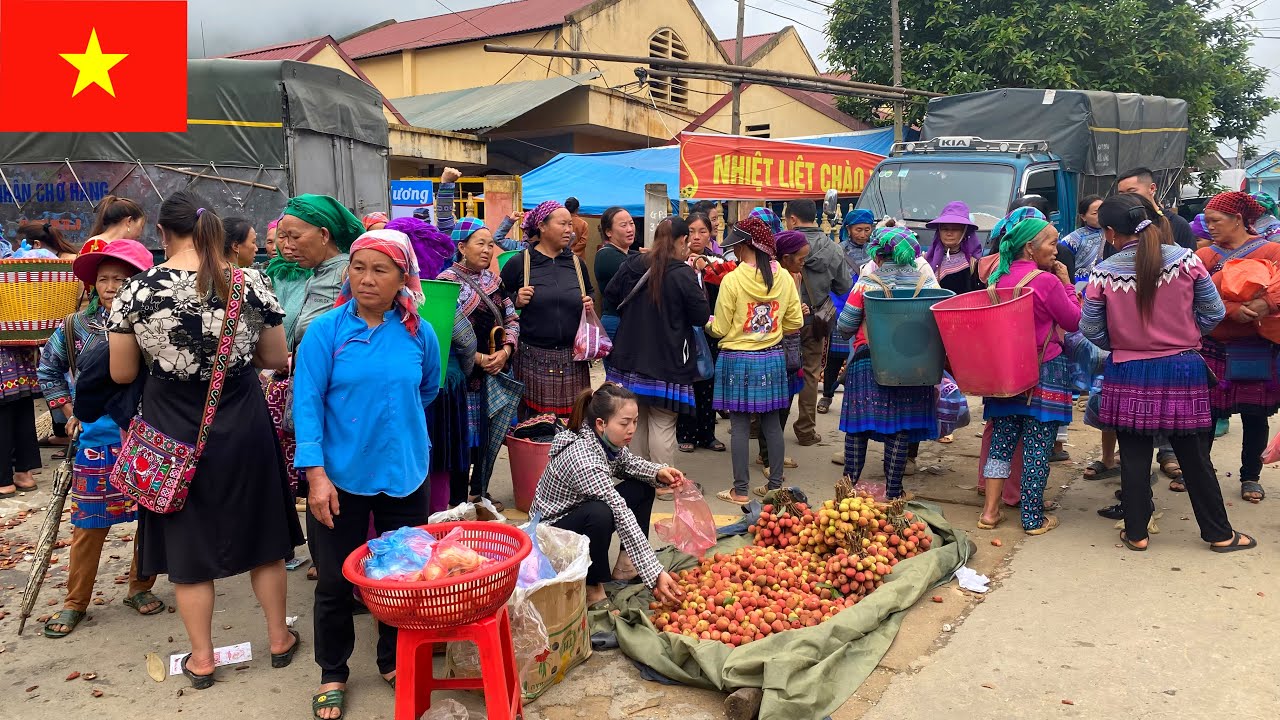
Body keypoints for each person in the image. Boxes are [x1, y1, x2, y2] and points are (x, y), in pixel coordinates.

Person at [107, 191, 302, 689]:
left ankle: (202, 657)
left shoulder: (135, 291)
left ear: (162, 232)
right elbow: (276, 357)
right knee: (263, 537)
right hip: (241, 420)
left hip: (171, 428)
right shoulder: (249, 281)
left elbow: (122, 371)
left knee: (189, 550)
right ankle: (279, 639)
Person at [292, 229, 440, 719]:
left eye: (380, 270)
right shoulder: (326, 331)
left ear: (403, 277)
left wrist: (391, 428)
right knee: (335, 581)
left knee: (400, 577)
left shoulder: (421, 332)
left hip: (404, 472)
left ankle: (393, 658)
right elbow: (306, 405)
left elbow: (427, 389)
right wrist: (316, 475)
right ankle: (333, 671)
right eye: (358, 268)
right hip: (338, 477)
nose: (366, 279)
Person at [1081, 193, 1255, 552]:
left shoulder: (1103, 272)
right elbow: (1213, 312)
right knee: (1194, 458)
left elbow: (1090, 328)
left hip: (1127, 370)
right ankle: (1220, 534)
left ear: (1112, 232)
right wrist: (1184, 335)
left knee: (1133, 456)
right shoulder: (1188, 260)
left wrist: (1123, 342)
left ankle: (1137, 533)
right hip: (1182, 369)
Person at [38, 239, 160, 638]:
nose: (111, 286)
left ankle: (140, 588)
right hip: (95, 440)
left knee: (149, 520)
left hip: (144, 441)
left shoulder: (154, 328)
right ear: (93, 285)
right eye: (104, 279)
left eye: (121, 280)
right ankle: (76, 602)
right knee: (89, 525)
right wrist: (68, 413)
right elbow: (48, 370)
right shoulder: (75, 328)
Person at [531, 383, 686, 608]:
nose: (632, 429)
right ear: (601, 424)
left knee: (642, 487)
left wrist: (657, 472)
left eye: (635, 421)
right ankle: (592, 586)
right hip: (549, 535)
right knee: (601, 512)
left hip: (576, 515)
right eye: (625, 423)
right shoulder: (584, 459)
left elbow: (627, 463)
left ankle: (626, 566)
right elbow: (620, 512)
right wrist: (655, 573)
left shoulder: (602, 440)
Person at [977, 215, 1081, 535]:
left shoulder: (997, 278)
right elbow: (1074, 320)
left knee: (1002, 443)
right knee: (1038, 444)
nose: (1057, 249)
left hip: (1006, 372)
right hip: (1044, 369)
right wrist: (1067, 283)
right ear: (1030, 248)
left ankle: (990, 513)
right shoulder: (1046, 281)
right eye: (1051, 242)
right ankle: (1032, 518)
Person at [837, 227, 942, 500]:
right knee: (900, 429)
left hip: (868, 362)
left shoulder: (866, 284)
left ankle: (846, 491)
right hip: (912, 366)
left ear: (879, 256)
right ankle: (894, 493)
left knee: (857, 429)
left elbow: (845, 326)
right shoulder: (927, 285)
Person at [707, 218, 803, 505]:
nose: (734, 250)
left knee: (738, 426)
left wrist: (708, 324)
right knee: (771, 424)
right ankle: (775, 487)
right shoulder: (784, 277)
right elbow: (795, 321)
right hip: (772, 357)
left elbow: (721, 328)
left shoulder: (733, 279)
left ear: (746, 244)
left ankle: (740, 490)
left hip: (737, 358)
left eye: (736, 244)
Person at [604, 217, 710, 467]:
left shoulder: (633, 264)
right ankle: (662, 482)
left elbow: (610, 294)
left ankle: (639, 477)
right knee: (663, 420)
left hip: (630, 356)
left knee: (635, 419)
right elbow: (701, 315)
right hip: (668, 360)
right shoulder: (683, 273)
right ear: (683, 240)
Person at [1195, 191, 1280, 504]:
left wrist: (1265, 303)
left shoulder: (1271, 251)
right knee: (1206, 416)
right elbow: (1193, 298)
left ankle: (1250, 476)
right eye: (1207, 222)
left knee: (1255, 415)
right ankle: (1200, 475)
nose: (1210, 227)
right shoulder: (1204, 257)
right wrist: (1230, 310)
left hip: (1256, 346)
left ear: (1239, 219)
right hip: (1214, 344)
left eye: (1216, 221)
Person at [438, 217, 520, 510]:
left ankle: (479, 491)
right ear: (461, 247)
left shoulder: (495, 282)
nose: (487, 250)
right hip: (464, 375)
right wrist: (477, 357)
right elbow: (444, 330)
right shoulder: (447, 282)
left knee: (488, 435)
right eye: (480, 244)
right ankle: (458, 499)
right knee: (463, 438)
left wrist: (506, 350)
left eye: (490, 244)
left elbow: (512, 318)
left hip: (495, 372)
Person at [499, 201, 595, 418]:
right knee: (534, 427)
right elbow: (498, 300)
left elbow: (590, 291)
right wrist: (515, 300)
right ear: (542, 226)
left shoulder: (577, 264)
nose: (569, 230)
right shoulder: (520, 262)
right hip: (532, 359)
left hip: (574, 359)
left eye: (570, 224)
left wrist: (589, 302)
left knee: (575, 425)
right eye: (563, 224)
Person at [784, 199, 853, 447]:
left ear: (792, 219)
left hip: (783, 320)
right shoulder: (833, 249)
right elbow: (844, 286)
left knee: (780, 371)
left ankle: (762, 428)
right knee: (811, 373)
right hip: (816, 318)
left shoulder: (783, 245)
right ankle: (805, 430)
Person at [755, 230, 811, 480]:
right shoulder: (773, 277)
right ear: (785, 258)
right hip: (775, 347)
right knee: (773, 406)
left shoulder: (794, 276)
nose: (803, 263)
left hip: (792, 345)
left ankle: (771, 454)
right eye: (800, 258)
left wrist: (800, 310)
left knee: (785, 403)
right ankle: (768, 458)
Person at [276, 195, 364, 348]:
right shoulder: (314, 275)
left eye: (295, 236)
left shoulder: (348, 273)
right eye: (284, 236)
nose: (288, 245)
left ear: (324, 235)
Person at [677, 212, 727, 454]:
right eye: (692, 231)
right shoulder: (676, 261)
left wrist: (706, 267)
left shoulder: (718, 262)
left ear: (711, 234)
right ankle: (685, 432)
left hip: (710, 330)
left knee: (709, 382)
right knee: (686, 382)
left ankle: (707, 434)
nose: (696, 237)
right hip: (683, 331)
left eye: (702, 231)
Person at [820, 209, 876, 416]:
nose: (862, 234)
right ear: (848, 230)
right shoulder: (838, 250)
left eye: (867, 230)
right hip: (841, 306)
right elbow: (831, 281)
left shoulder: (876, 252)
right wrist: (838, 309)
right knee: (835, 356)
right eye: (858, 230)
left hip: (868, 308)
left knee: (863, 356)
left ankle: (858, 398)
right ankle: (826, 396)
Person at [1113, 167, 1197, 252]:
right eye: (1121, 194)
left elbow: (1189, 262)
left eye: (1131, 191)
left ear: (1152, 188)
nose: (1126, 198)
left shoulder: (1177, 224)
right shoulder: (1119, 226)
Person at [593, 206, 638, 341]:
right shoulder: (607, 255)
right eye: (623, 225)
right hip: (617, 321)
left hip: (631, 321)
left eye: (631, 223)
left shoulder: (630, 254)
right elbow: (636, 273)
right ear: (608, 232)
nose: (630, 229)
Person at [924, 201, 983, 295]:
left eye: (955, 229)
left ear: (964, 232)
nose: (949, 233)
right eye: (944, 229)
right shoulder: (926, 261)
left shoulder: (974, 263)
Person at [262, 217, 312, 325]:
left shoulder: (315, 274)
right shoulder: (267, 275)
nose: (287, 244)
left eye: (295, 237)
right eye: (281, 237)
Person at [1059, 195, 1105, 288]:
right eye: (1095, 213)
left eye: (1103, 211)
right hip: (1083, 285)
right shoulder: (1074, 239)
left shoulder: (1113, 233)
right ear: (1083, 217)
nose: (1101, 216)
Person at [80, 195, 146, 254]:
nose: (140, 233)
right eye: (141, 226)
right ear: (129, 221)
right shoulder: (95, 245)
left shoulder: (124, 247)